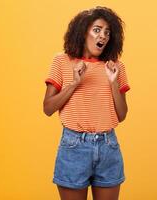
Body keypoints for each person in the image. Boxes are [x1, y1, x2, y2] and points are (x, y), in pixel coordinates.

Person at [42, 6, 130, 200]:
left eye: (107, 32)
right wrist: (74, 83)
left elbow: (122, 115)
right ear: (82, 32)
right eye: (97, 29)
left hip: (108, 146)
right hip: (74, 146)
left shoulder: (115, 67)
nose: (103, 36)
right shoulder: (62, 61)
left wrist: (113, 82)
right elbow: (48, 108)